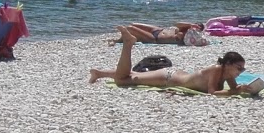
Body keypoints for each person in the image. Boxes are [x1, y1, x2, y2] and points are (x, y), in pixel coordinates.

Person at [89, 29, 250, 95]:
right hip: (167, 77)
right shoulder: (216, 69)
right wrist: (234, 92)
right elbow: (212, 93)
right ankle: (128, 44)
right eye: (239, 68)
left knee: (132, 75)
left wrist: (246, 89)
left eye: (242, 69)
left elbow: (235, 88)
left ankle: (99, 73)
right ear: (228, 64)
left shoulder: (227, 73)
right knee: (122, 80)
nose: (240, 71)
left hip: (175, 74)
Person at [110, 21, 207, 45]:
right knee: (133, 24)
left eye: (198, 27)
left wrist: (195, 32)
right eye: (196, 24)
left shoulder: (189, 37)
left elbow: (192, 42)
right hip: (158, 30)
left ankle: (119, 41)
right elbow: (177, 23)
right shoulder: (186, 27)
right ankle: (122, 39)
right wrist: (191, 24)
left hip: (154, 38)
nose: (196, 27)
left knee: (130, 28)